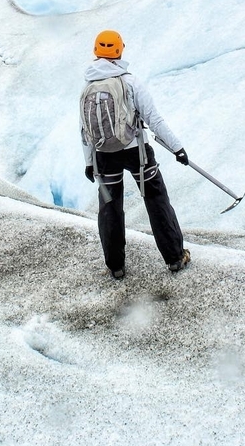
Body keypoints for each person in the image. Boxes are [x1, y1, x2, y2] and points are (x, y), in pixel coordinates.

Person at [80, 29, 191, 279]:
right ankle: (175, 258)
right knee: (156, 199)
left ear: (96, 52)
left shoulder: (88, 85)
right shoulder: (131, 82)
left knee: (110, 208)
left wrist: (89, 162)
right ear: (120, 51)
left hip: (103, 156)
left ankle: (116, 266)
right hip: (136, 152)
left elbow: (84, 129)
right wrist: (177, 148)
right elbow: (153, 119)